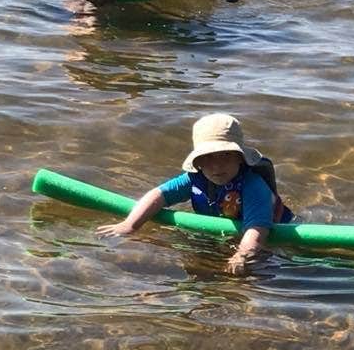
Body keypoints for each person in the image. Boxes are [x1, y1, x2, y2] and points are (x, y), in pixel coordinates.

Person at [97, 113, 294, 274]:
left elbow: (257, 230)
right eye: (208, 158)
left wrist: (241, 255)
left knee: (258, 277)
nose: (217, 166)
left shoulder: (253, 185)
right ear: (198, 162)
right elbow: (158, 195)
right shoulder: (194, 178)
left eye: (225, 155)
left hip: (269, 237)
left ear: (240, 158)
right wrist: (130, 225)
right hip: (223, 232)